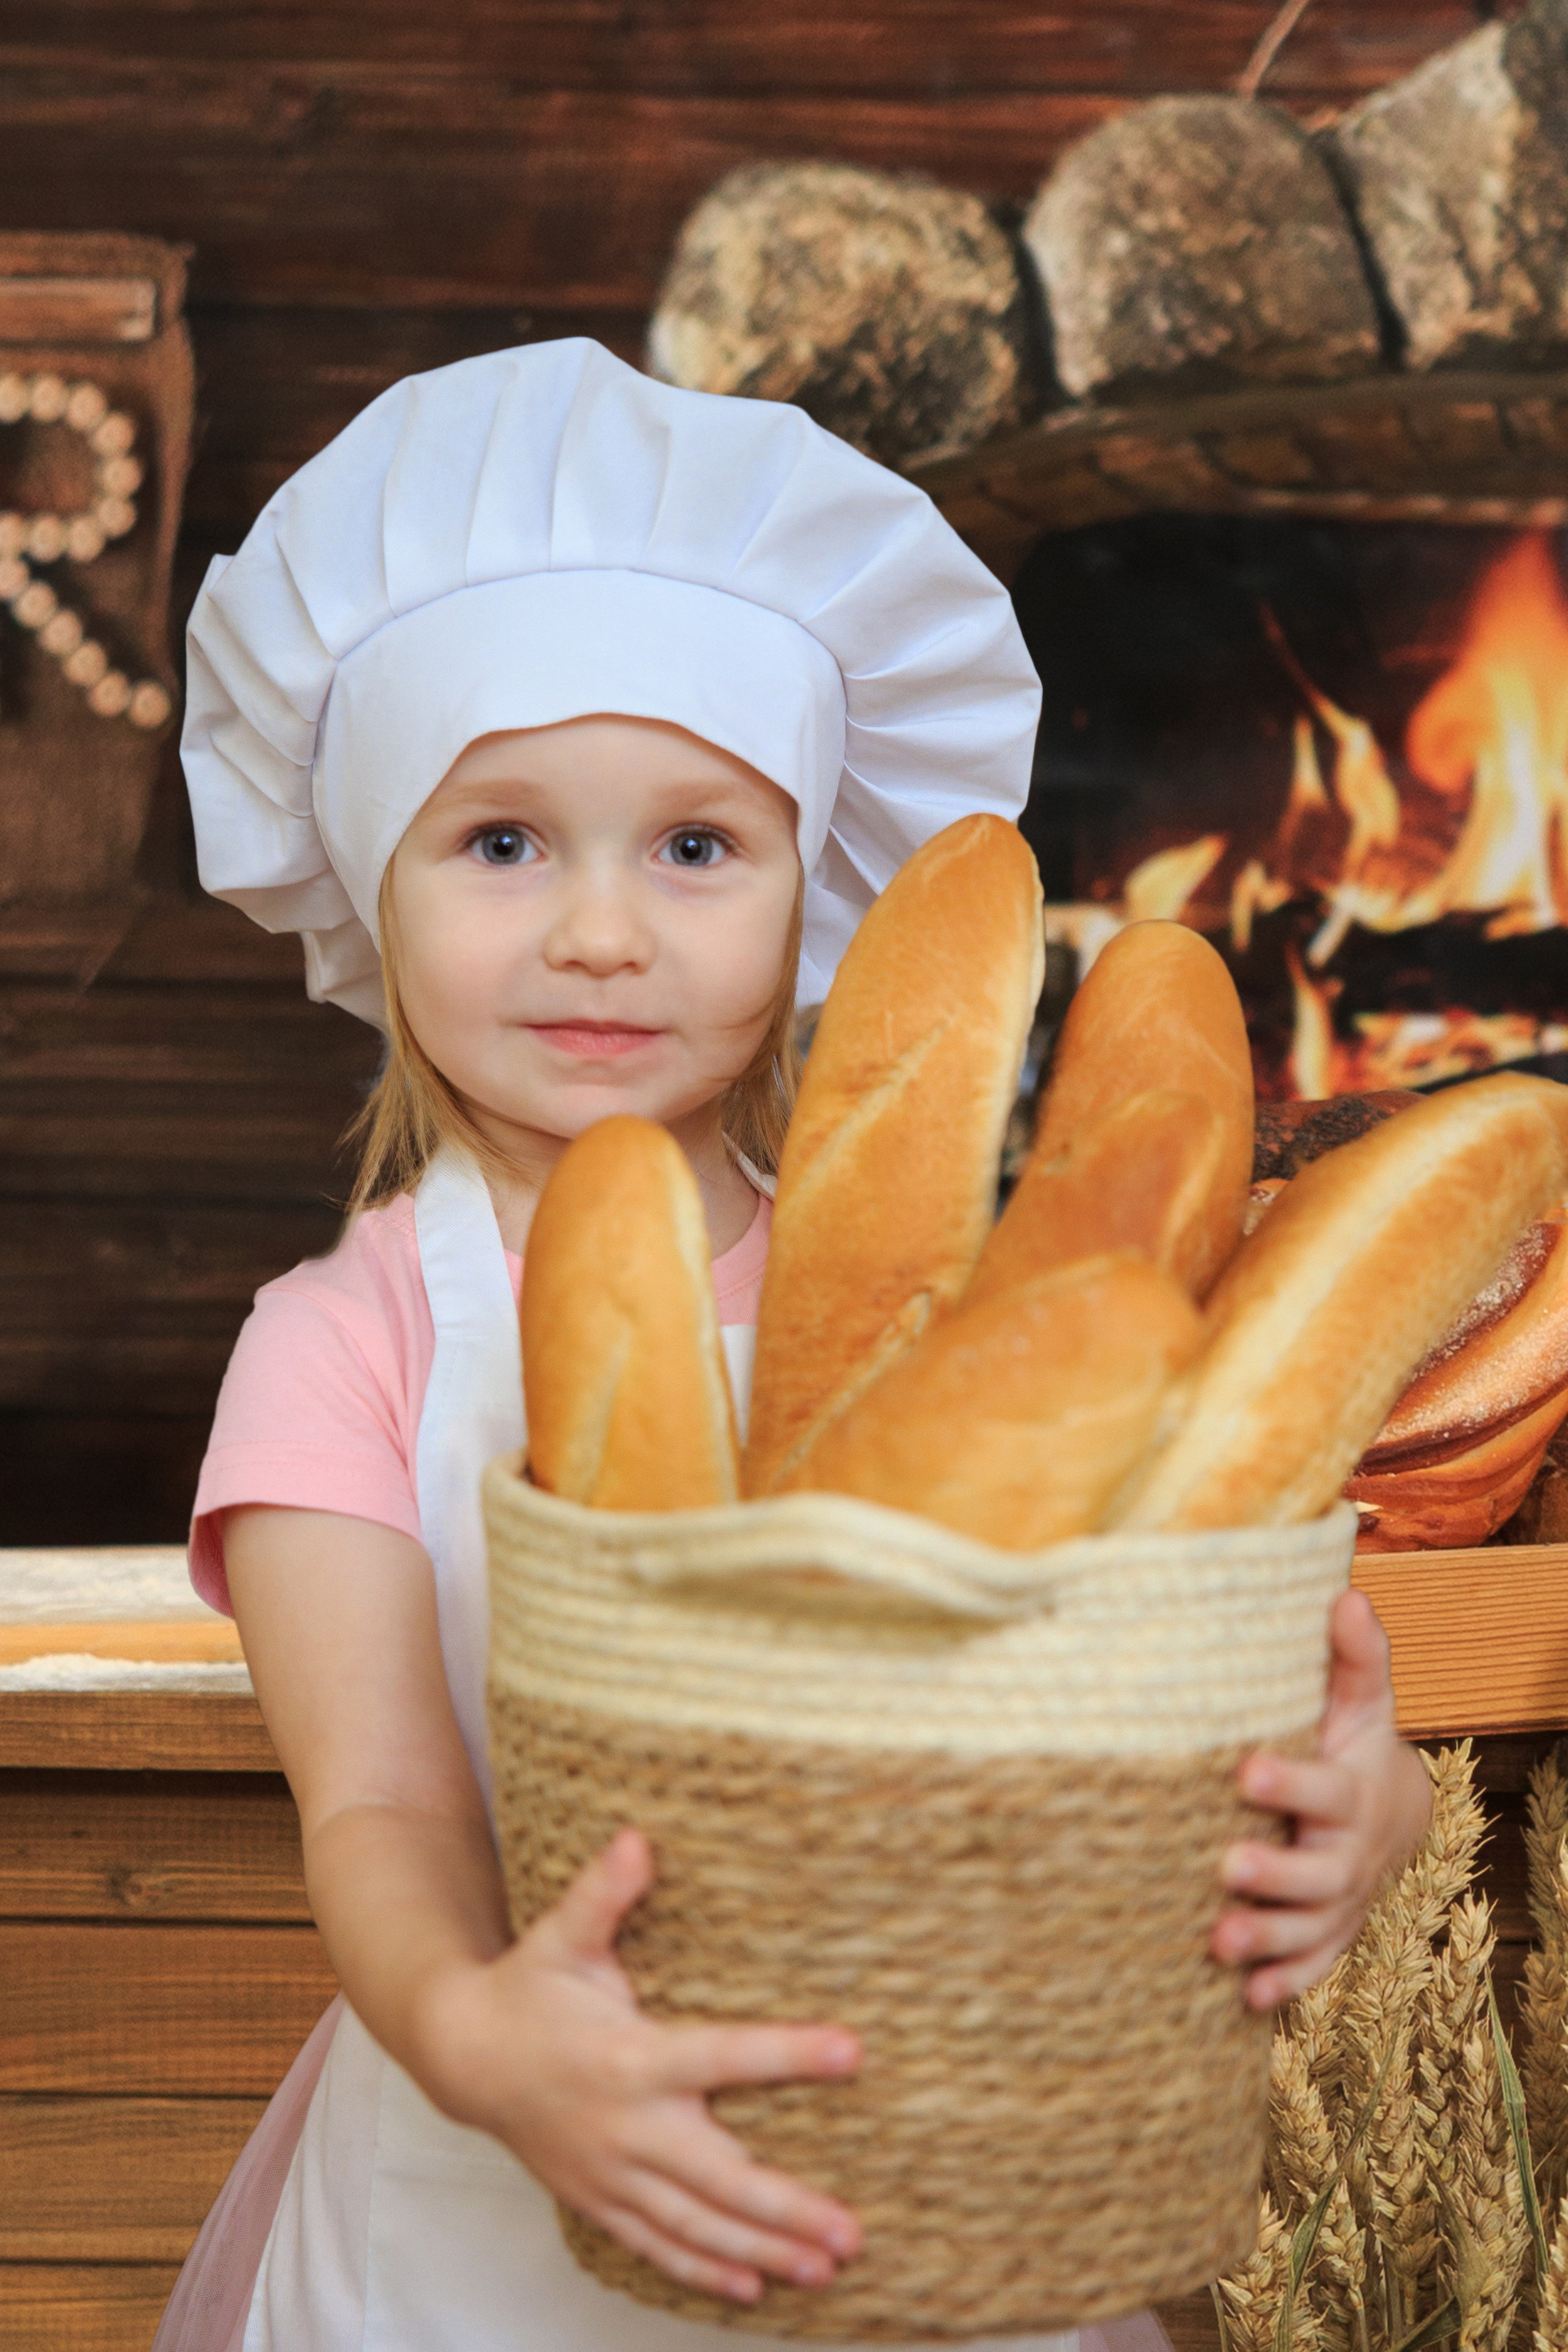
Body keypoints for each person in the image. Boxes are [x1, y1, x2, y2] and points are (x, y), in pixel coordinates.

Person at [154, 339, 1432, 2352]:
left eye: (693, 846)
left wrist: (1367, 1809)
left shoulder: (996, 1315)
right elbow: (386, 1807)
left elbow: (1178, 1700)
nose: (599, 931)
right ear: (371, 888)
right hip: (491, 2206)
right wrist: (484, 2035)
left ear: (812, 890)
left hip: (950, 2197)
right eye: (501, 843)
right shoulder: (347, 1339)